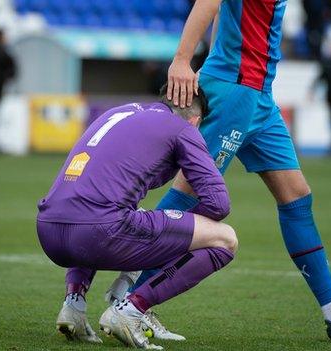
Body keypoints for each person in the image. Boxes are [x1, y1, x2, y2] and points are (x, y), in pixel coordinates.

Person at [108, 0, 331, 342]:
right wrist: (183, 60)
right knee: (190, 193)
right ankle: (126, 304)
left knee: (297, 197)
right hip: (236, 91)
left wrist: (214, 64)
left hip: (259, 97)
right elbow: (210, 2)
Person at [36, 87, 237, 349]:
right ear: (195, 120)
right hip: (98, 231)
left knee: (115, 212)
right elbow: (219, 204)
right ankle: (130, 310)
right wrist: (175, 239)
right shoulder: (184, 128)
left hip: (48, 229)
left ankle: (73, 304)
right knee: (225, 240)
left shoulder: (120, 111)